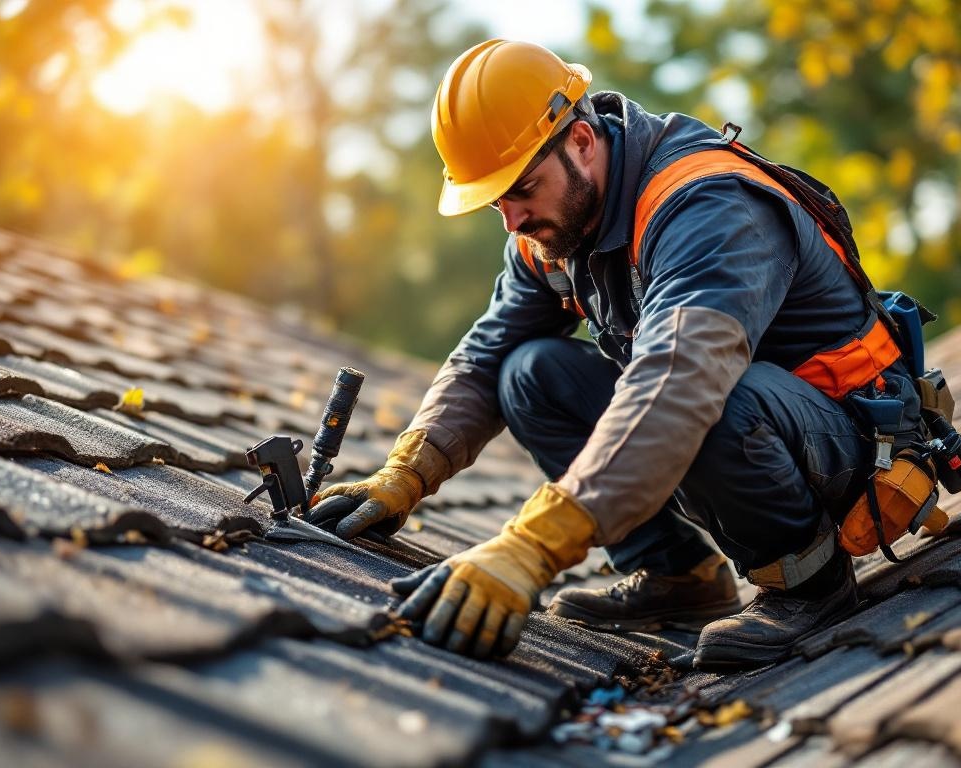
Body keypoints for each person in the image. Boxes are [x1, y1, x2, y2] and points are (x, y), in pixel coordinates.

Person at [309, 39, 924, 669]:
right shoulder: (553, 228)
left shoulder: (707, 204)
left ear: (581, 141)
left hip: (849, 445)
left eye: (522, 188)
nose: (512, 219)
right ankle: (676, 576)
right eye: (496, 200)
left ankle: (809, 585)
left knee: (716, 396)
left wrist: (534, 545)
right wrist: (407, 472)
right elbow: (487, 355)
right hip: (740, 425)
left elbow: (680, 378)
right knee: (529, 374)